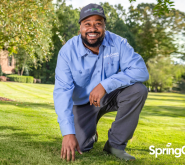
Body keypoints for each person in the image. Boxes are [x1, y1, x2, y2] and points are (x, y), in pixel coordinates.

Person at [53, 3, 149, 162]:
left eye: (98, 23)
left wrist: (105, 85)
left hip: (108, 96)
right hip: (83, 104)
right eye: (87, 24)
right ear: (80, 28)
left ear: (104, 26)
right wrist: (68, 133)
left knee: (138, 90)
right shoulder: (67, 52)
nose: (93, 28)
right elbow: (62, 92)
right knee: (81, 147)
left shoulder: (118, 43)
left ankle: (115, 145)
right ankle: (90, 133)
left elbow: (141, 71)